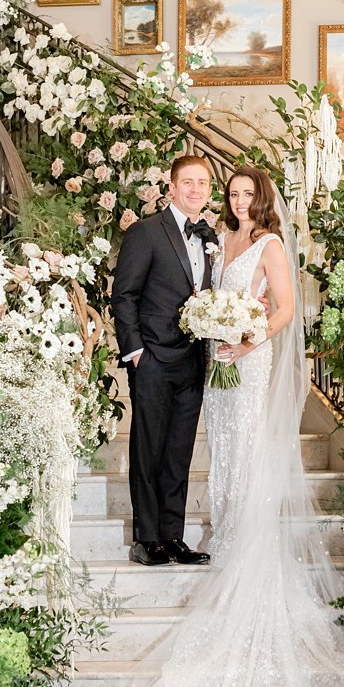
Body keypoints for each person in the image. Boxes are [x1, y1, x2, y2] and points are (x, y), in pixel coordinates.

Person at [142, 167, 344, 687]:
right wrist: (212, 329)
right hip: (218, 363)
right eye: (233, 194)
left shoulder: (268, 244)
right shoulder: (219, 239)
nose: (239, 201)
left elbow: (286, 309)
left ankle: (246, 541)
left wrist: (245, 339)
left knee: (245, 448)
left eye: (248, 194)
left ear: (263, 200)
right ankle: (229, 524)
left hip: (249, 360)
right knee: (223, 452)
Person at [111, 154, 219, 567]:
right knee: (149, 449)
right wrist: (137, 352)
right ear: (171, 188)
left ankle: (173, 536)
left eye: (203, 183)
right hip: (153, 357)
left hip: (193, 360)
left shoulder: (209, 236)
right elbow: (125, 295)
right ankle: (146, 538)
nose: (195, 190)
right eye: (187, 182)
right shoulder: (146, 232)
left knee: (179, 451)